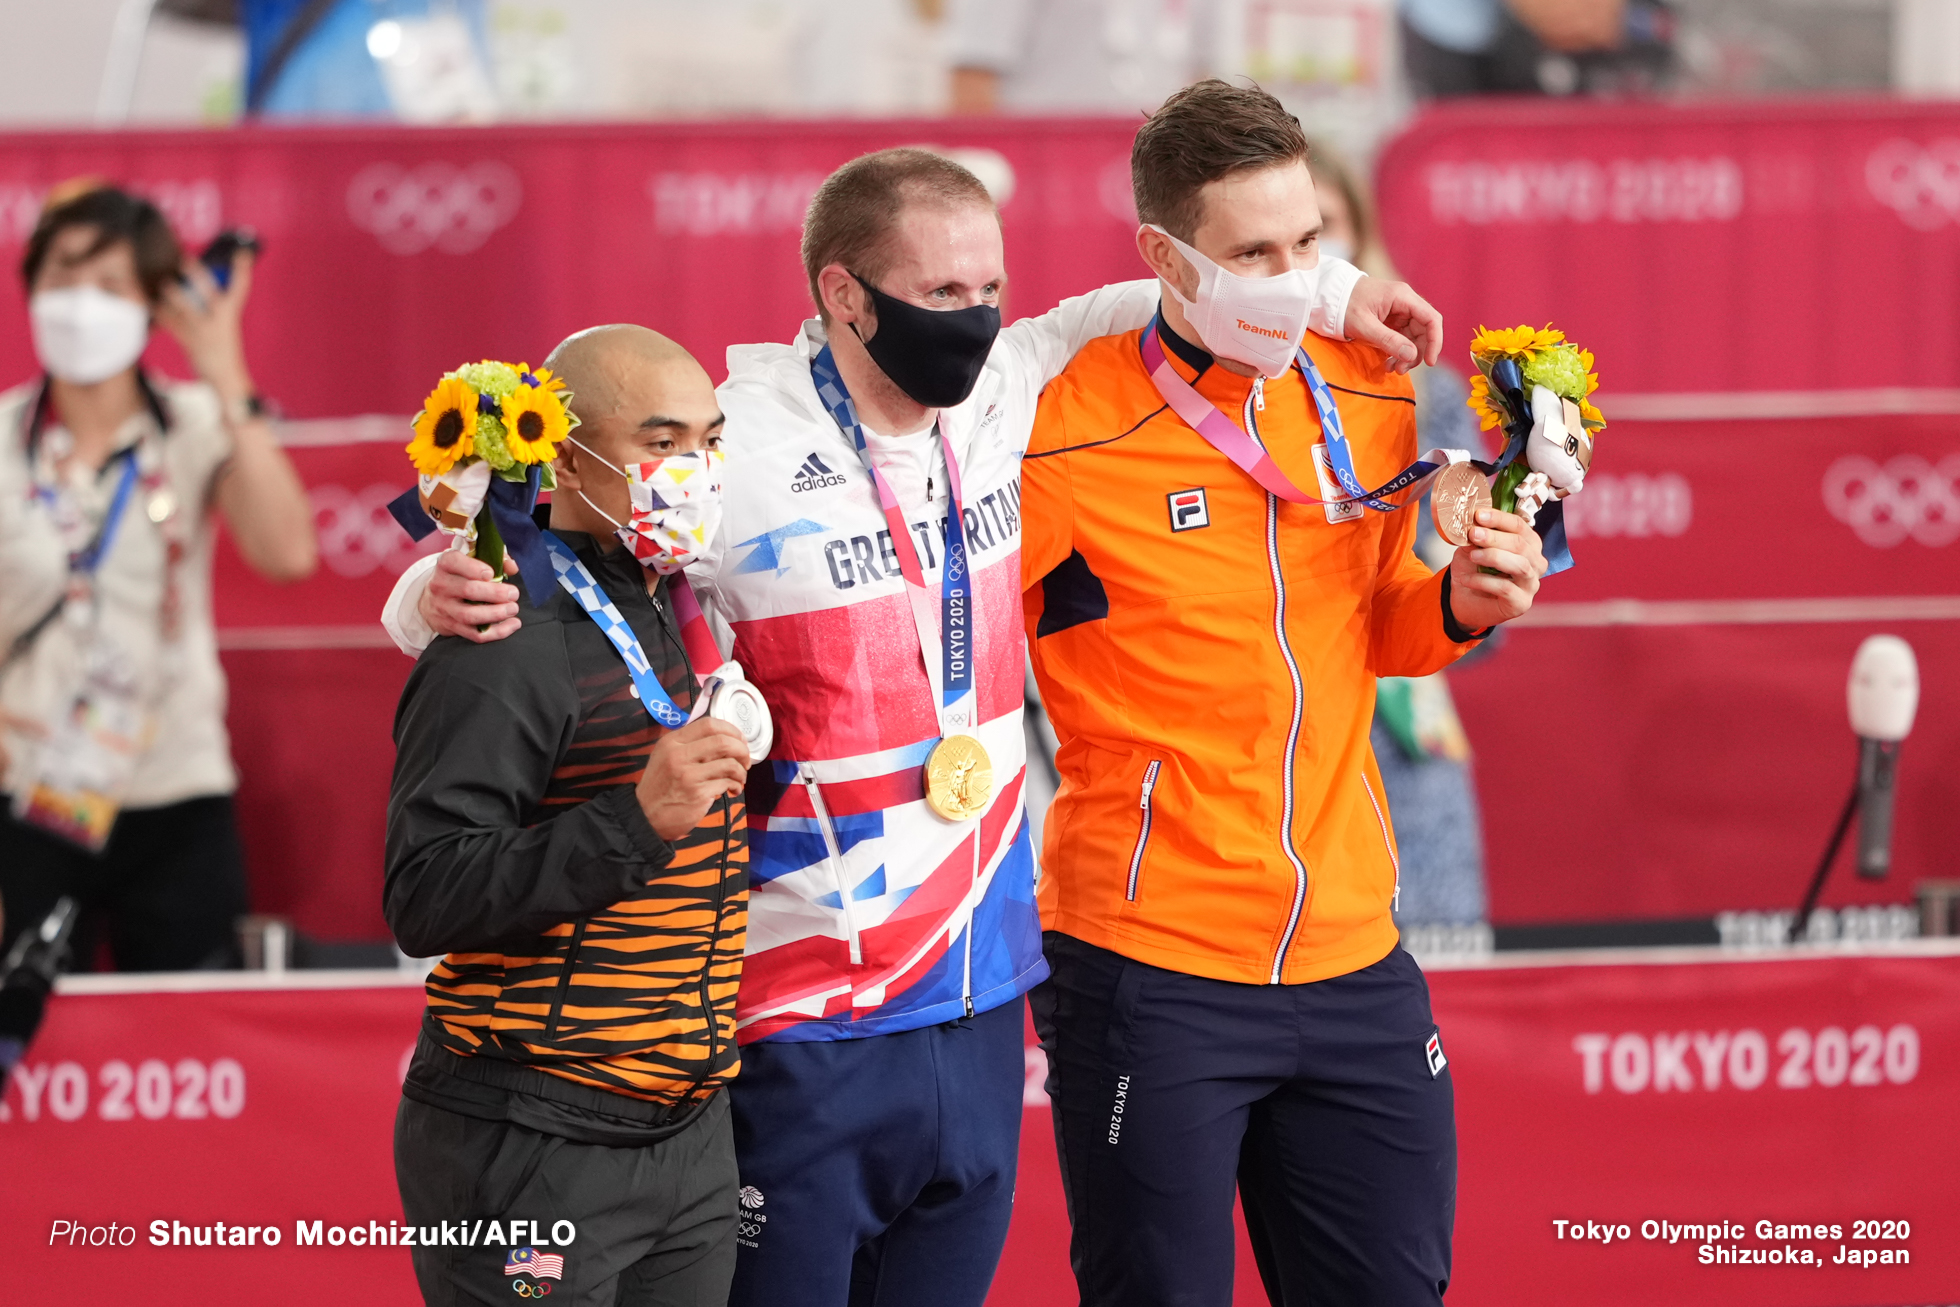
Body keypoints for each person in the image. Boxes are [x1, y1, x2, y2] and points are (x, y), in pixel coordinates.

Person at [384, 146, 1442, 1304]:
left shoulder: (1011, 383)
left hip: (977, 996)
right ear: (843, 294)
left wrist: (1340, 291)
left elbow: (1165, 285)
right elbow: (563, 521)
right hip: (796, 1012)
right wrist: (419, 594)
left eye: (989, 288)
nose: (976, 318)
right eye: (940, 295)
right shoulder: (732, 443)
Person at [1019, 79, 1548, 1305]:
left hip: (1354, 951)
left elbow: (1377, 633)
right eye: (1250, 253)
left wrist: (1464, 602)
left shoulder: (1366, 383)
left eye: (1308, 242)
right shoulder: (1053, 421)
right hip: (1150, 963)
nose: (1293, 275)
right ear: (1161, 255)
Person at [386, 325, 755, 1304]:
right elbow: (422, 894)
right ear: (568, 455)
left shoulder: (685, 601)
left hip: (690, 1130)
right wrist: (636, 819)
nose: (694, 470)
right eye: (661, 440)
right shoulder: (497, 630)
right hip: (531, 1135)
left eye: (710, 440)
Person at [0, 182, 315, 972]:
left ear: (153, 303)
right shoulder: (4, 437)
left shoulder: (196, 423)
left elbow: (287, 553)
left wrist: (221, 364)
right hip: (26, 790)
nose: (79, 303)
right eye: (62, 275)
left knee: (192, 1040)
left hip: (175, 782)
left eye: (109, 284)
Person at [1311, 147, 1495, 929]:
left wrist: (1473, 581)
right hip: (1274, 741)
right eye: (1274, 246)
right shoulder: (1206, 408)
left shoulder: (1433, 395)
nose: (1310, 262)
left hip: (1405, 745)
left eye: (1325, 231)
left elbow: (1479, 624)